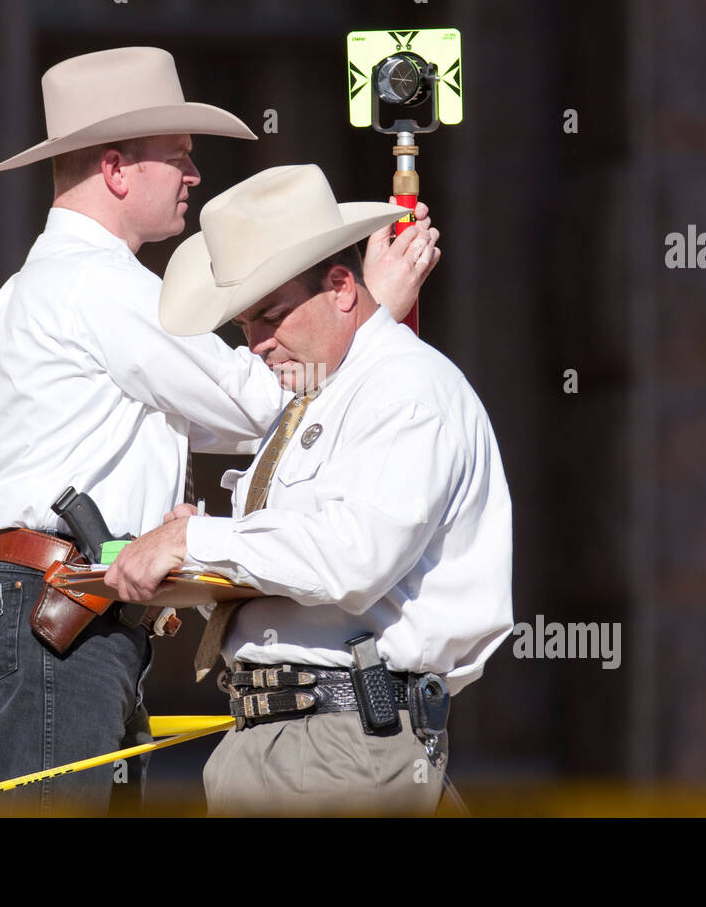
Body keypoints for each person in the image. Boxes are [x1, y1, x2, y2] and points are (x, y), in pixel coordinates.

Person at [0, 47, 441, 815]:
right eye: (177, 158)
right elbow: (257, 401)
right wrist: (361, 314)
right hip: (62, 612)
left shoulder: (36, 285)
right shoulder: (102, 287)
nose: (194, 175)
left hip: (60, 606)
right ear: (117, 170)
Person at [106, 164, 513, 816]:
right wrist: (198, 560)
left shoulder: (404, 388)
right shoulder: (317, 397)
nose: (258, 344)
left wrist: (197, 539)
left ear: (341, 287)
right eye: (245, 326)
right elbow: (302, 580)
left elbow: (351, 559)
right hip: (300, 744)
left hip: (335, 745)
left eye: (272, 316)